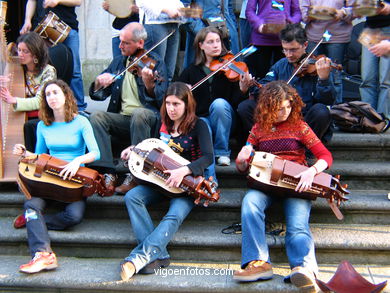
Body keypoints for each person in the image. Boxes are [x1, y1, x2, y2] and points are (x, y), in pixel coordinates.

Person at [233, 81, 333, 293]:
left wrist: (311, 171)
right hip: (264, 184)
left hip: (295, 183)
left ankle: (304, 269)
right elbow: (243, 167)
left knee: (298, 226)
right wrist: (241, 160)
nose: (284, 112)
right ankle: (258, 263)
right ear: (267, 106)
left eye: (288, 107)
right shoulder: (259, 128)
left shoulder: (299, 126)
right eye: (279, 108)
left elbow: (325, 156)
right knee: (250, 204)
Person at [119, 81, 214, 281]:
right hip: (160, 182)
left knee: (174, 214)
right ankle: (158, 256)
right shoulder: (163, 124)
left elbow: (208, 157)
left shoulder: (199, 125)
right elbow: (153, 149)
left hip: (188, 185)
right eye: (168, 103)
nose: (171, 109)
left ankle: (138, 258)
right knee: (132, 197)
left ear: (187, 104)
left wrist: (184, 170)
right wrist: (134, 149)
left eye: (176, 104)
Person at [12, 79, 100, 274]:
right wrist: (24, 153)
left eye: (55, 93)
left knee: (74, 216)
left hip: (73, 179)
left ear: (66, 96)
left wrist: (78, 160)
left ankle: (33, 220)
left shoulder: (81, 121)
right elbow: (39, 156)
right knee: (31, 205)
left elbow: (96, 152)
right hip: (48, 178)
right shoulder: (43, 126)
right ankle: (43, 254)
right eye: (47, 94)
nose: (51, 97)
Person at [88, 22, 168, 195]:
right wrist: (98, 83)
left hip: (147, 119)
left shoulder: (156, 62)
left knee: (139, 113)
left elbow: (163, 100)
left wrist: (149, 85)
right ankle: (108, 172)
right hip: (123, 119)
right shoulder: (119, 62)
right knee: (96, 116)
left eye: (125, 43)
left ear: (140, 43)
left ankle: (135, 174)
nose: (120, 46)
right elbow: (98, 95)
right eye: (120, 41)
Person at [237, 23, 336, 143]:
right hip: (279, 119)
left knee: (321, 111)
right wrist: (249, 87)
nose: (289, 55)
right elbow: (264, 86)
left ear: (305, 45)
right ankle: (267, 144)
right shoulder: (280, 65)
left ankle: (308, 151)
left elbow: (328, 101)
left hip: (304, 120)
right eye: (285, 50)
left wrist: (324, 80)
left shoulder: (318, 67)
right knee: (246, 107)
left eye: (293, 50)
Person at [178, 26, 252, 166]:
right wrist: (184, 92)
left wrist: (242, 90)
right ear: (201, 46)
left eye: (218, 41)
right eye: (210, 42)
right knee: (203, 123)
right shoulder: (191, 71)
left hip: (226, 122)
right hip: (203, 120)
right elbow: (175, 95)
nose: (216, 45)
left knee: (219, 104)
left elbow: (237, 104)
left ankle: (222, 152)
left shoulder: (230, 67)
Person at [20, 0, 87, 113]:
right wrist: (27, 20)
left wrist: (58, 1)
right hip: (42, 27)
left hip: (67, 26)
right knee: (44, 67)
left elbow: (78, 1)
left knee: (75, 70)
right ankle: (50, 107)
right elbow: (31, 1)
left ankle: (79, 108)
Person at [0, 32, 56, 152]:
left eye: (25, 51)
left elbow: (40, 101)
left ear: (35, 53)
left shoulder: (48, 72)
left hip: (43, 117)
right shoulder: (17, 69)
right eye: (19, 50)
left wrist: (14, 100)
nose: (21, 54)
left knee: (28, 127)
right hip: (23, 114)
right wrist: (3, 83)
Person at [301, 0, 354, 104]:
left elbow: (356, 9)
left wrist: (342, 12)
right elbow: (304, 15)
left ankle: (337, 111)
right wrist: (312, 14)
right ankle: (315, 107)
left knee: (335, 76)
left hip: (338, 36)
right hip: (314, 36)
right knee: (312, 73)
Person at [245, 0, 301, 79]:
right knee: (260, 76)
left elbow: (297, 12)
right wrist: (259, 25)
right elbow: (249, 11)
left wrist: (291, 23)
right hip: (261, 40)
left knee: (283, 76)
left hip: (284, 42)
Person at [182, 0, 240, 68]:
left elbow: (229, 6)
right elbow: (185, 8)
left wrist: (232, 27)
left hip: (228, 37)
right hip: (202, 36)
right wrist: (201, 31)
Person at [137, 0, 184, 81]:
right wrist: (165, 10)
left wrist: (182, 9)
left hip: (173, 23)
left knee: (169, 73)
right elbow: (142, 2)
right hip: (154, 23)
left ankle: (166, 92)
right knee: (154, 71)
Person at [359, 1, 390, 118]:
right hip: (369, 30)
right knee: (367, 78)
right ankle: (368, 117)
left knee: (386, 80)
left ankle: (384, 118)